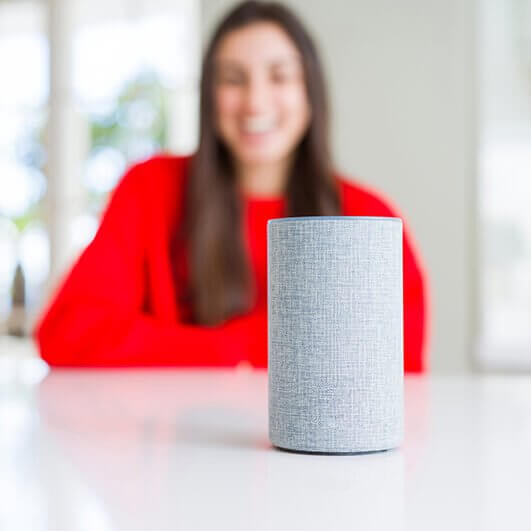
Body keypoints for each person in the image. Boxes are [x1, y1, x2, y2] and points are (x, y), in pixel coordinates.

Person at [34, 0, 429, 372]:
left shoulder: (367, 218)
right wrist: (239, 349)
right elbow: (67, 333)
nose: (255, 103)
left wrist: (192, 349)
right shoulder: (150, 190)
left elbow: (399, 367)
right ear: (209, 97)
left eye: (279, 76)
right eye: (233, 79)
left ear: (311, 92)